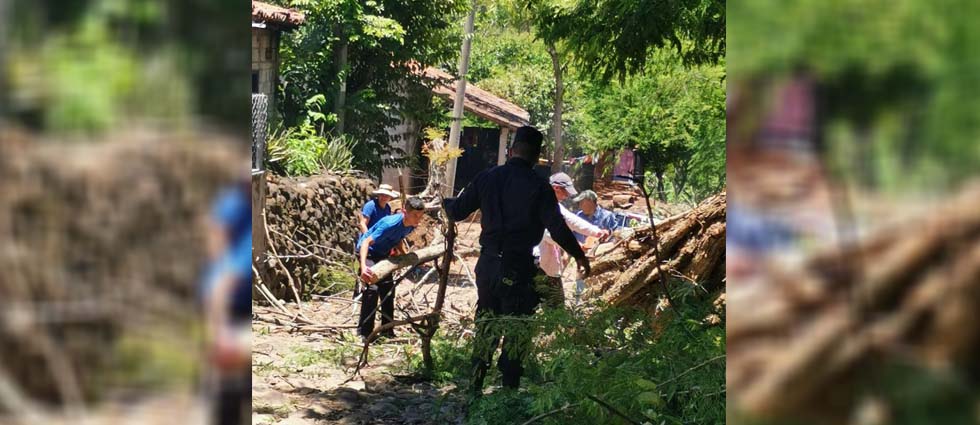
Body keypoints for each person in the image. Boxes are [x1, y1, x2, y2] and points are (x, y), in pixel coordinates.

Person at [443, 125, 591, 396]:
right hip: (519, 267)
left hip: (488, 265)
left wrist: (446, 203)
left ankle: (474, 390)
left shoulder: (487, 177)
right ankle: (508, 394)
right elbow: (557, 227)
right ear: (536, 156)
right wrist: (579, 255)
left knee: (486, 323)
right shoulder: (539, 187)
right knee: (517, 328)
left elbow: (458, 211)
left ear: (511, 151)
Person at [200, 179, 252, 425]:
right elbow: (221, 286)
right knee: (230, 390)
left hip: (232, 310)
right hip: (228, 312)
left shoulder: (242, 238)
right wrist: (219, 332)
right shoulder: (240, 251)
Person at [534, 173, 609, 307]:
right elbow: (548, 233)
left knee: (555, 303)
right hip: (536, 261)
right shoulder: (538, 203)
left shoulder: (556, 206)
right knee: (543, 302)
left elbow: (573, 221)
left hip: (549, 265)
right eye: (565, 192)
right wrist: (575, 246)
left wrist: (596, 232)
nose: (567, 196)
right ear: (556, 188)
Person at [356, 196, 426, 340]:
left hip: (383, 254)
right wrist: (363, 267)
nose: (418, 219)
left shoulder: (411, 225)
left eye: (420, 215)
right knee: (372, 290)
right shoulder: (390, 224)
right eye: (415, 215)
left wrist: (405, 256)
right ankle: (364, 333)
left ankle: (387, 330)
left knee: (388, 291)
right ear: (405, 212)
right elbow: (366, 242)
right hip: (368, 252)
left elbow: (397, 238)